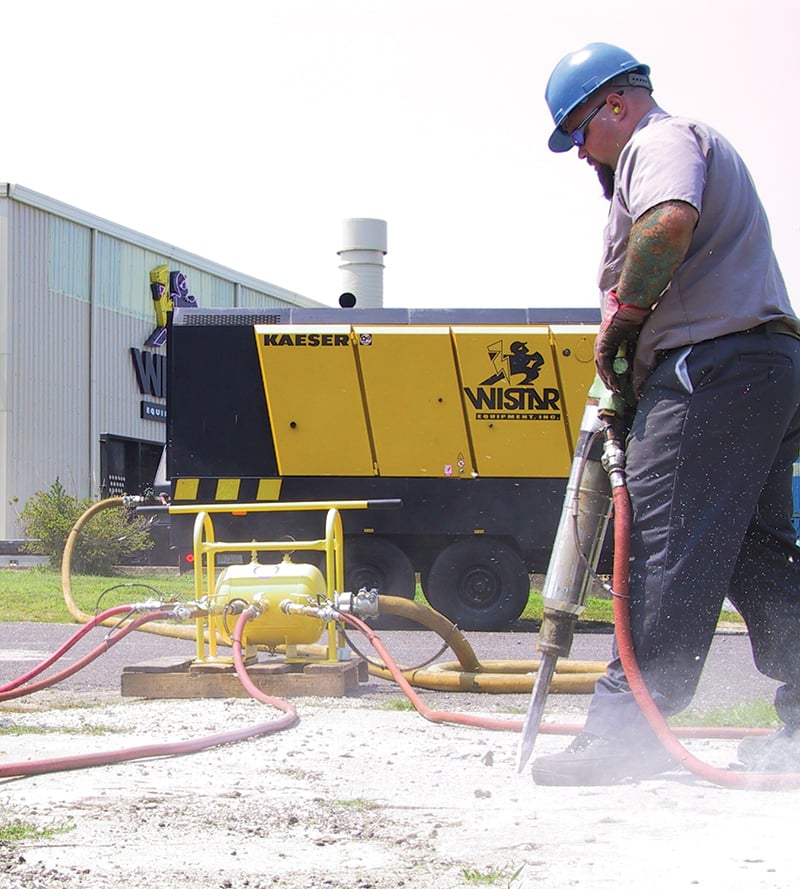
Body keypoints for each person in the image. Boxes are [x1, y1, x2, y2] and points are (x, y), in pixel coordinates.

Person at [531, 42, 800, 785]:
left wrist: (625, 320)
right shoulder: (680, 145)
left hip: (708, 375)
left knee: (656, 543)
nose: (582, 154)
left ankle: (628, 732)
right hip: (761, 372)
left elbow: (668, 221)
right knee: (761, 558)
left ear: (616, 104)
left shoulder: (660, 140)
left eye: (580, 134)